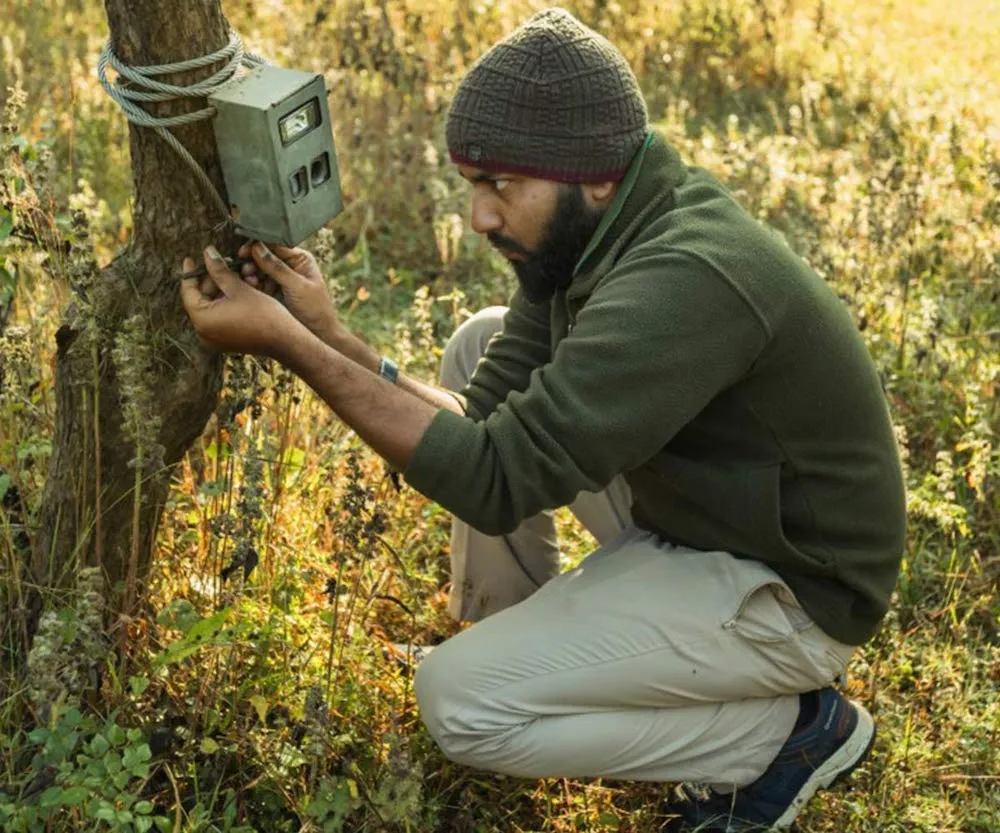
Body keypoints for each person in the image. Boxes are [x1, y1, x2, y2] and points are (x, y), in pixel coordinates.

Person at [179, 8, 906, 830]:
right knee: (478, 344)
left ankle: (784, 733)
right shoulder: (590, 232)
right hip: (711, 510)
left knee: (458, 703)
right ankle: (510, 627)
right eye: (473, 186)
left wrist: (292, 348)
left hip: (794, 588)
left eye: (503, 187)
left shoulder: (684, 276)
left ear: (595, 174)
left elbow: (492, 479)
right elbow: (485, 422)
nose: (481, 217)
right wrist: (332, 333)